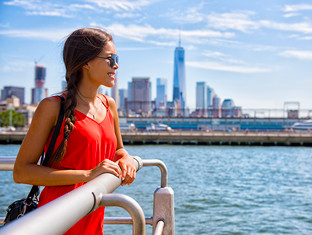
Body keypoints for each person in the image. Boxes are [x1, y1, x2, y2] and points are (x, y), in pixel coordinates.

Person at [13, 28, 136, 234]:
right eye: (110, 58)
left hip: (93, 218)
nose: (116, 65)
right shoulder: (52, 106)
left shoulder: (109, 104)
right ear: (86, 63)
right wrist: (88, 174)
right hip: (56, 219)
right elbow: (21, 172)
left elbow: (118, 150)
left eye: (117, 58)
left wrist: (127, 158)